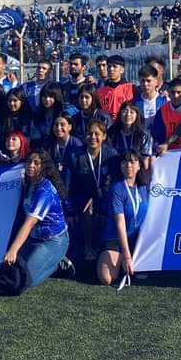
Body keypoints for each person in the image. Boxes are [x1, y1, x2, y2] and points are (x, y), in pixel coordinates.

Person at [2, 151, 70, 288]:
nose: (31, 165)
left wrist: (13, 250)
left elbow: (29, 223)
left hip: (52, 240)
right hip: (33, 238)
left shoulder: (45, 191)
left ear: (44, 167)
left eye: (36, 163)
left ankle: (58, 263)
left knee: (27, 280)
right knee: (12, 270)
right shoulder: (28, 183)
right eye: (29, 161)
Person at [67, 119, 120, 261]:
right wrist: (69, 208)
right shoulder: (75, 155)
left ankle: (104, 245)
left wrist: (99, 196)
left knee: (105, 210)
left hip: (104, 194)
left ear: (104, 136)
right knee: (85, 212)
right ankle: (88, 246)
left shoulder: (111, 153)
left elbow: (114, 180)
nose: (93, 137)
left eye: (97, 134)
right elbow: (68, 183)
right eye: (89, 134)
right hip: (81, 195)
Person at [97, 150, 149, 286]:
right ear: (120, 165)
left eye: (133, 162)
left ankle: (121, 263)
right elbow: (120, 223)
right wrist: (126, 255)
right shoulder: (117, 188)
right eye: (125, 162)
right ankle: (114, 260)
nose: (129, 165)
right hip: (115, 238)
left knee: (143, 274)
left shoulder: (144, 188)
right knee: (107, 279)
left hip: (135, 240)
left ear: (139, 166)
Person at [107, 101, 153, 177]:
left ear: (137, 115)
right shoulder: (112, 132)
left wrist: (144, 177)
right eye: (125, 111)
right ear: (120, 114)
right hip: (116, 172)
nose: (128, 115)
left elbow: (145, 159)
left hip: (137, 173)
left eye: (132, 112)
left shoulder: (144, 134)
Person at [151, 78, 181, 150]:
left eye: (179, 92)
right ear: (168, 93)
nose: (176, 96)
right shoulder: (162, 111)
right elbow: (158, 136)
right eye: (173, 92)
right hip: (171, 151)